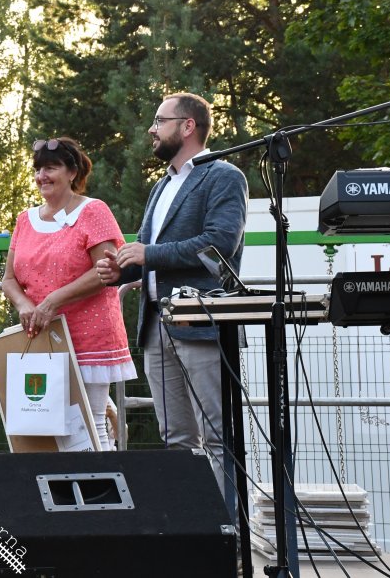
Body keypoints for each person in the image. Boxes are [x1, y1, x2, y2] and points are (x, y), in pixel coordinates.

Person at [95, 92, 248, 500]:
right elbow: (148, 253)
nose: (151, 129)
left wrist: (148, 254)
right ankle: (194, 527)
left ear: (187, 126)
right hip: (157, 327)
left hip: (202, 324)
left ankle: (229, 530)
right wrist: (120, 271)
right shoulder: (162, 186)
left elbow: (218, 245)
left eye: (160, 121)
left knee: (218, 435)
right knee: (175, 439)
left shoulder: (224, 176)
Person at [1, 137, 136, 451]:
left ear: (73, 172)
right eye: (38, 169)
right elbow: (8, 279)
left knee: (89, 423)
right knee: (45, 425)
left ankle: (102, 483)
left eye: (51, 168)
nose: (42, 176)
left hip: (88, 336)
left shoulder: (93, 210)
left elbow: (105, 271)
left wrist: (53, 300)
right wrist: (24, 304)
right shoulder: (25, 219)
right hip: (42, 337)